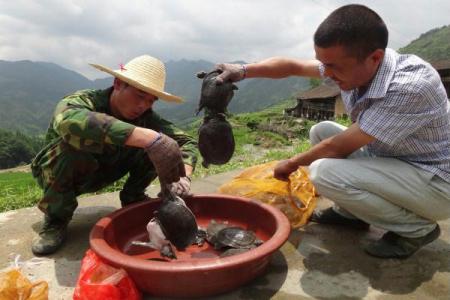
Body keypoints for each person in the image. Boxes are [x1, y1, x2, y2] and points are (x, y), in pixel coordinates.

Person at [215, 4, 450, 259]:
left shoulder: (410, 87)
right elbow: (292, 66)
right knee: (322, 131)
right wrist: (244, 70)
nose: (327, 74)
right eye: (323, 64)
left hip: (435, 182)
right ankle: (351, 214)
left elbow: (337, 148)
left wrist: (290, 164)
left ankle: (416, 229)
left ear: (375, 58)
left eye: (334, 67)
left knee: (323, 172)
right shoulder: (349, 63)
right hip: (397, 161)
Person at [30, 55, 197, 255]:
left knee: (162, 147)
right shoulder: (85, 101)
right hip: (60, 174)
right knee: (72, 149)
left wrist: (183, 177)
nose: (144, 106)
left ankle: (133, 197)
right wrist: (146, 137)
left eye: (152, 101)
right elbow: (68, 120)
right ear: (118, 84)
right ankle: (55, 219)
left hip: (106, 172)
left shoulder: (146, 118)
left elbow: (188, 142)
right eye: (140, 95)